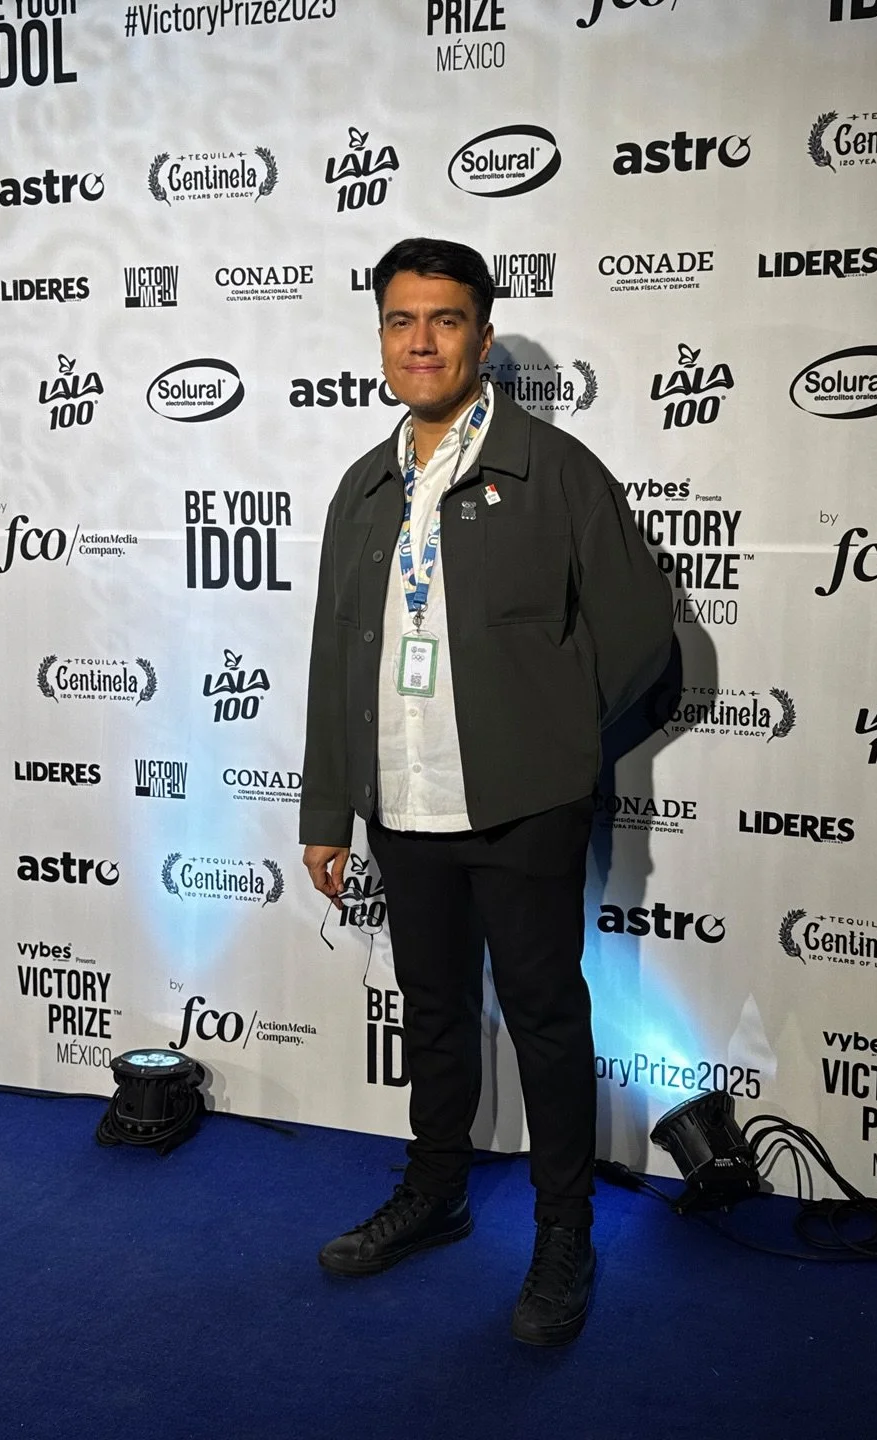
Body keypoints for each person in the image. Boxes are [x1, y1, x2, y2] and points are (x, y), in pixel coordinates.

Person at [300, 237, 673, 1346]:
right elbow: (334, 661)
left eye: (446, 320)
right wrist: (329, 812)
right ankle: (438, 1192)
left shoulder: (554, 470)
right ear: (380, 338)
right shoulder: (364, 489)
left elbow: (645, 638)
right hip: (404, 807)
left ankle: (566, 1231)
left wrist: (549, 747)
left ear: (483, 337)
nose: (422, 341)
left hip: (521, 810)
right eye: (402, 321)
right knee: (433, 1011)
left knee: (548, 1019)